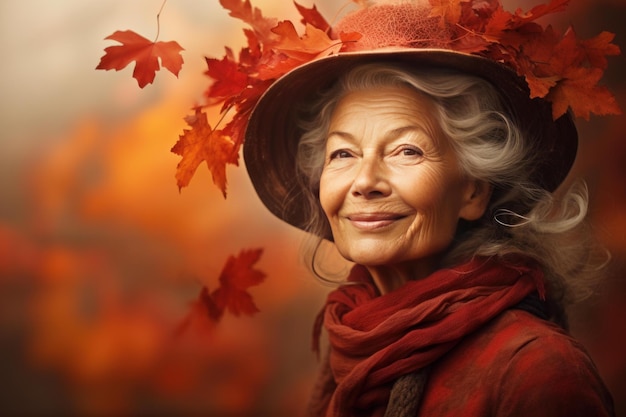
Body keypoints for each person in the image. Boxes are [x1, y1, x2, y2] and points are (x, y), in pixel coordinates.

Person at [211, 0, 620, 415]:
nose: (365, 182)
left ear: (473, 191)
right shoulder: (352, 350)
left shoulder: (536, 370)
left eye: (407, 151)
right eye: (343, 155)